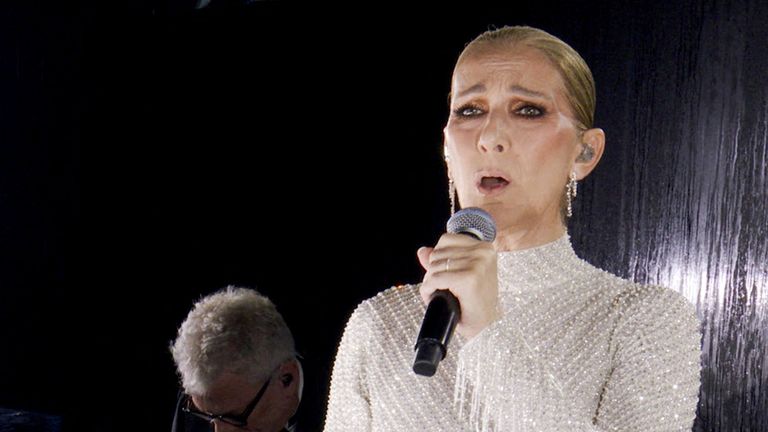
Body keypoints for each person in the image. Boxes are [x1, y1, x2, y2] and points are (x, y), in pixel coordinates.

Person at [324, 25, 701, 432]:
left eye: (527, 110)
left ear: (585, 151)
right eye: (470, 110)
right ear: (447, 148)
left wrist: (488, 329)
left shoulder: (643, 318)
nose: (490, 137)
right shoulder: (379, 323)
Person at [170, 286, 303, 432]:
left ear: (287, 379)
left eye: (234, 417)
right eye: (206, 414)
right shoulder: (199, 401)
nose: (219, 431)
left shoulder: (330, 412)